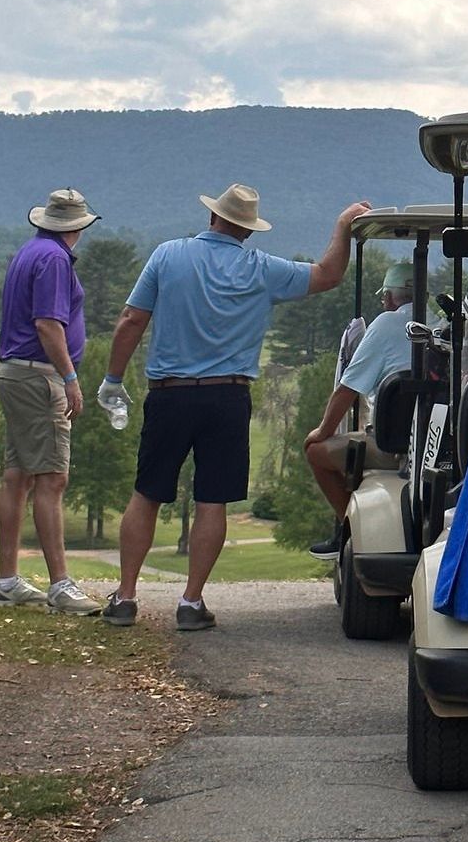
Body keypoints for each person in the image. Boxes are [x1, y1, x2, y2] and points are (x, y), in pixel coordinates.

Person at [97, 184, 371, 630]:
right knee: (212, 500)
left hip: (169, 394)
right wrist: (342, 225)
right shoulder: (261, 268)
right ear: (248, 230)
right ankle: (190, 602)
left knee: (147, 494)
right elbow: (328, 274)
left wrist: (112, 378)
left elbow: (132, 319)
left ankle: (126, 597)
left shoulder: (167, 255)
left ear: (212, 217)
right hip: (227, 397)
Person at [0, 188, 104, 615]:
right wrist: (70, 378)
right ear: (78, 226)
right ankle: (61, 586)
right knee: (52, 478)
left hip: (15, 373)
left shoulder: (29, 251)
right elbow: (48, 325)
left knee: (18, 475)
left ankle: (6, 581)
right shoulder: (55, 259)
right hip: (39, 376)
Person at [301, 260, 417, 554]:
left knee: (316, 453)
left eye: (384, 298)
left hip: (393, 449)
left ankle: (348, 532)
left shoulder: (386, 324)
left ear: (389, 297)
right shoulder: (442, 324)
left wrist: (322, 431)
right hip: (434, 446)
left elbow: (347, 389)